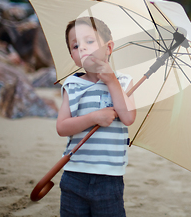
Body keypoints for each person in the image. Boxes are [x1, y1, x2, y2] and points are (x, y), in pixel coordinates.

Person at [57, 16, 136, 216]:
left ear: (108, 48)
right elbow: (62, 127)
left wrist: (111, 82)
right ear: (72, 55)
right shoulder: (72, 85)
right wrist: (94, 118)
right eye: (75, 46)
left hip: (109, 178)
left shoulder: (124, 82)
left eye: (89, 41)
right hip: (74, 174)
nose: (82, 48)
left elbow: (128, 118)